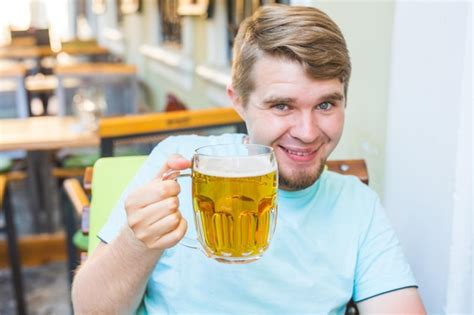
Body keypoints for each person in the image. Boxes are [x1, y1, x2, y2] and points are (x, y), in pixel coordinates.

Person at [72, 4, 426, 314]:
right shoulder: (178, 163)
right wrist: (136, 243)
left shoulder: (357, 206)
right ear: (238, 101)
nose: (307, 131)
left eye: (325, 104)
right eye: (282, 105)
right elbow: (90, 310)